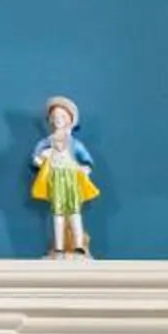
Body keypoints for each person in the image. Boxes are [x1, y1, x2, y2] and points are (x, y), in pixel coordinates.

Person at [30, 96, 100, 257]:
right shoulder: (47, 142)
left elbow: (85, 158)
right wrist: (40, 159)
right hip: (56, 179)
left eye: (62, 117)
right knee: (58, 213)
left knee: (75, 212)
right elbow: (36, 157)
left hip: (71, 179)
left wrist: (86, 168)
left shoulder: (73, 143)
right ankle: (59, 246)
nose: (58, 120)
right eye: (55, 117)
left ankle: (78, 245)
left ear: (70, 120)